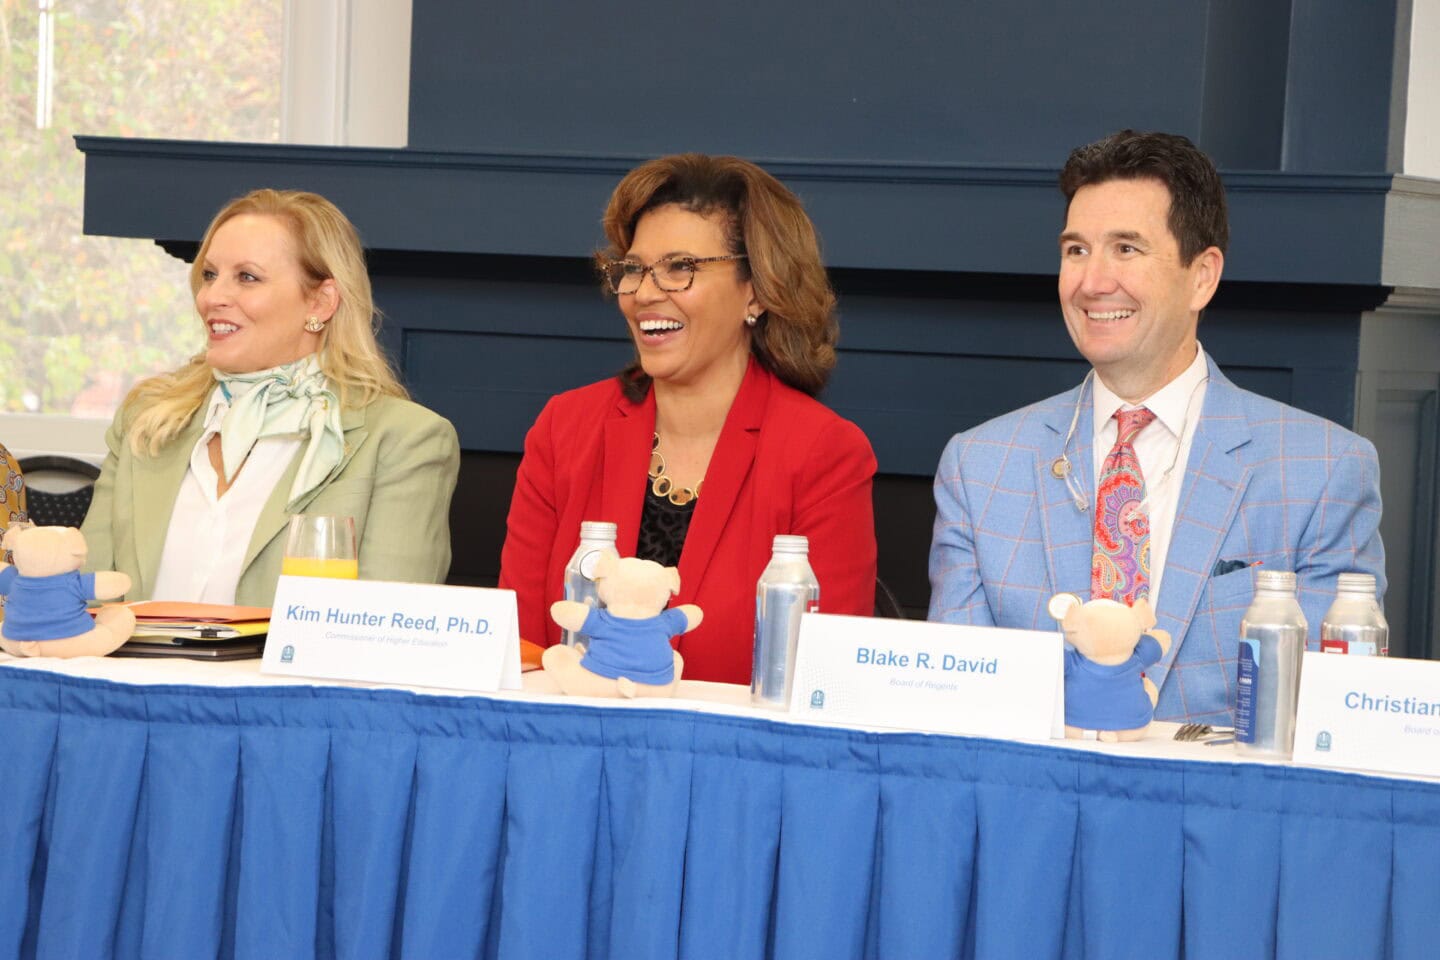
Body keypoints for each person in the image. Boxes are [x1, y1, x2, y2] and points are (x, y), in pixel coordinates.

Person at [928, 130, 1384, 724]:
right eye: (1075, 250)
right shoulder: (978, 467)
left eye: (1126, 249)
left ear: (1202, 276)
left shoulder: (1324, 471)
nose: (1092, 282)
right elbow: (959, 714)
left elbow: (1331, 723)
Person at [500, 153, 877, 685]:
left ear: (758, 289)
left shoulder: (824, 452)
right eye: (633, 269)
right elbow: (519, 645)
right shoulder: (566, 428)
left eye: (681, 268)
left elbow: (828, 678)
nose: (644, 293)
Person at [83, 189, 460, 606]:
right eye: (209, 275)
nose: (212, 297)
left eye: (247, 277)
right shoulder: (146, 419)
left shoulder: (404, 439)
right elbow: (84, 600)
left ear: (321, 301)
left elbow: (385, 628)